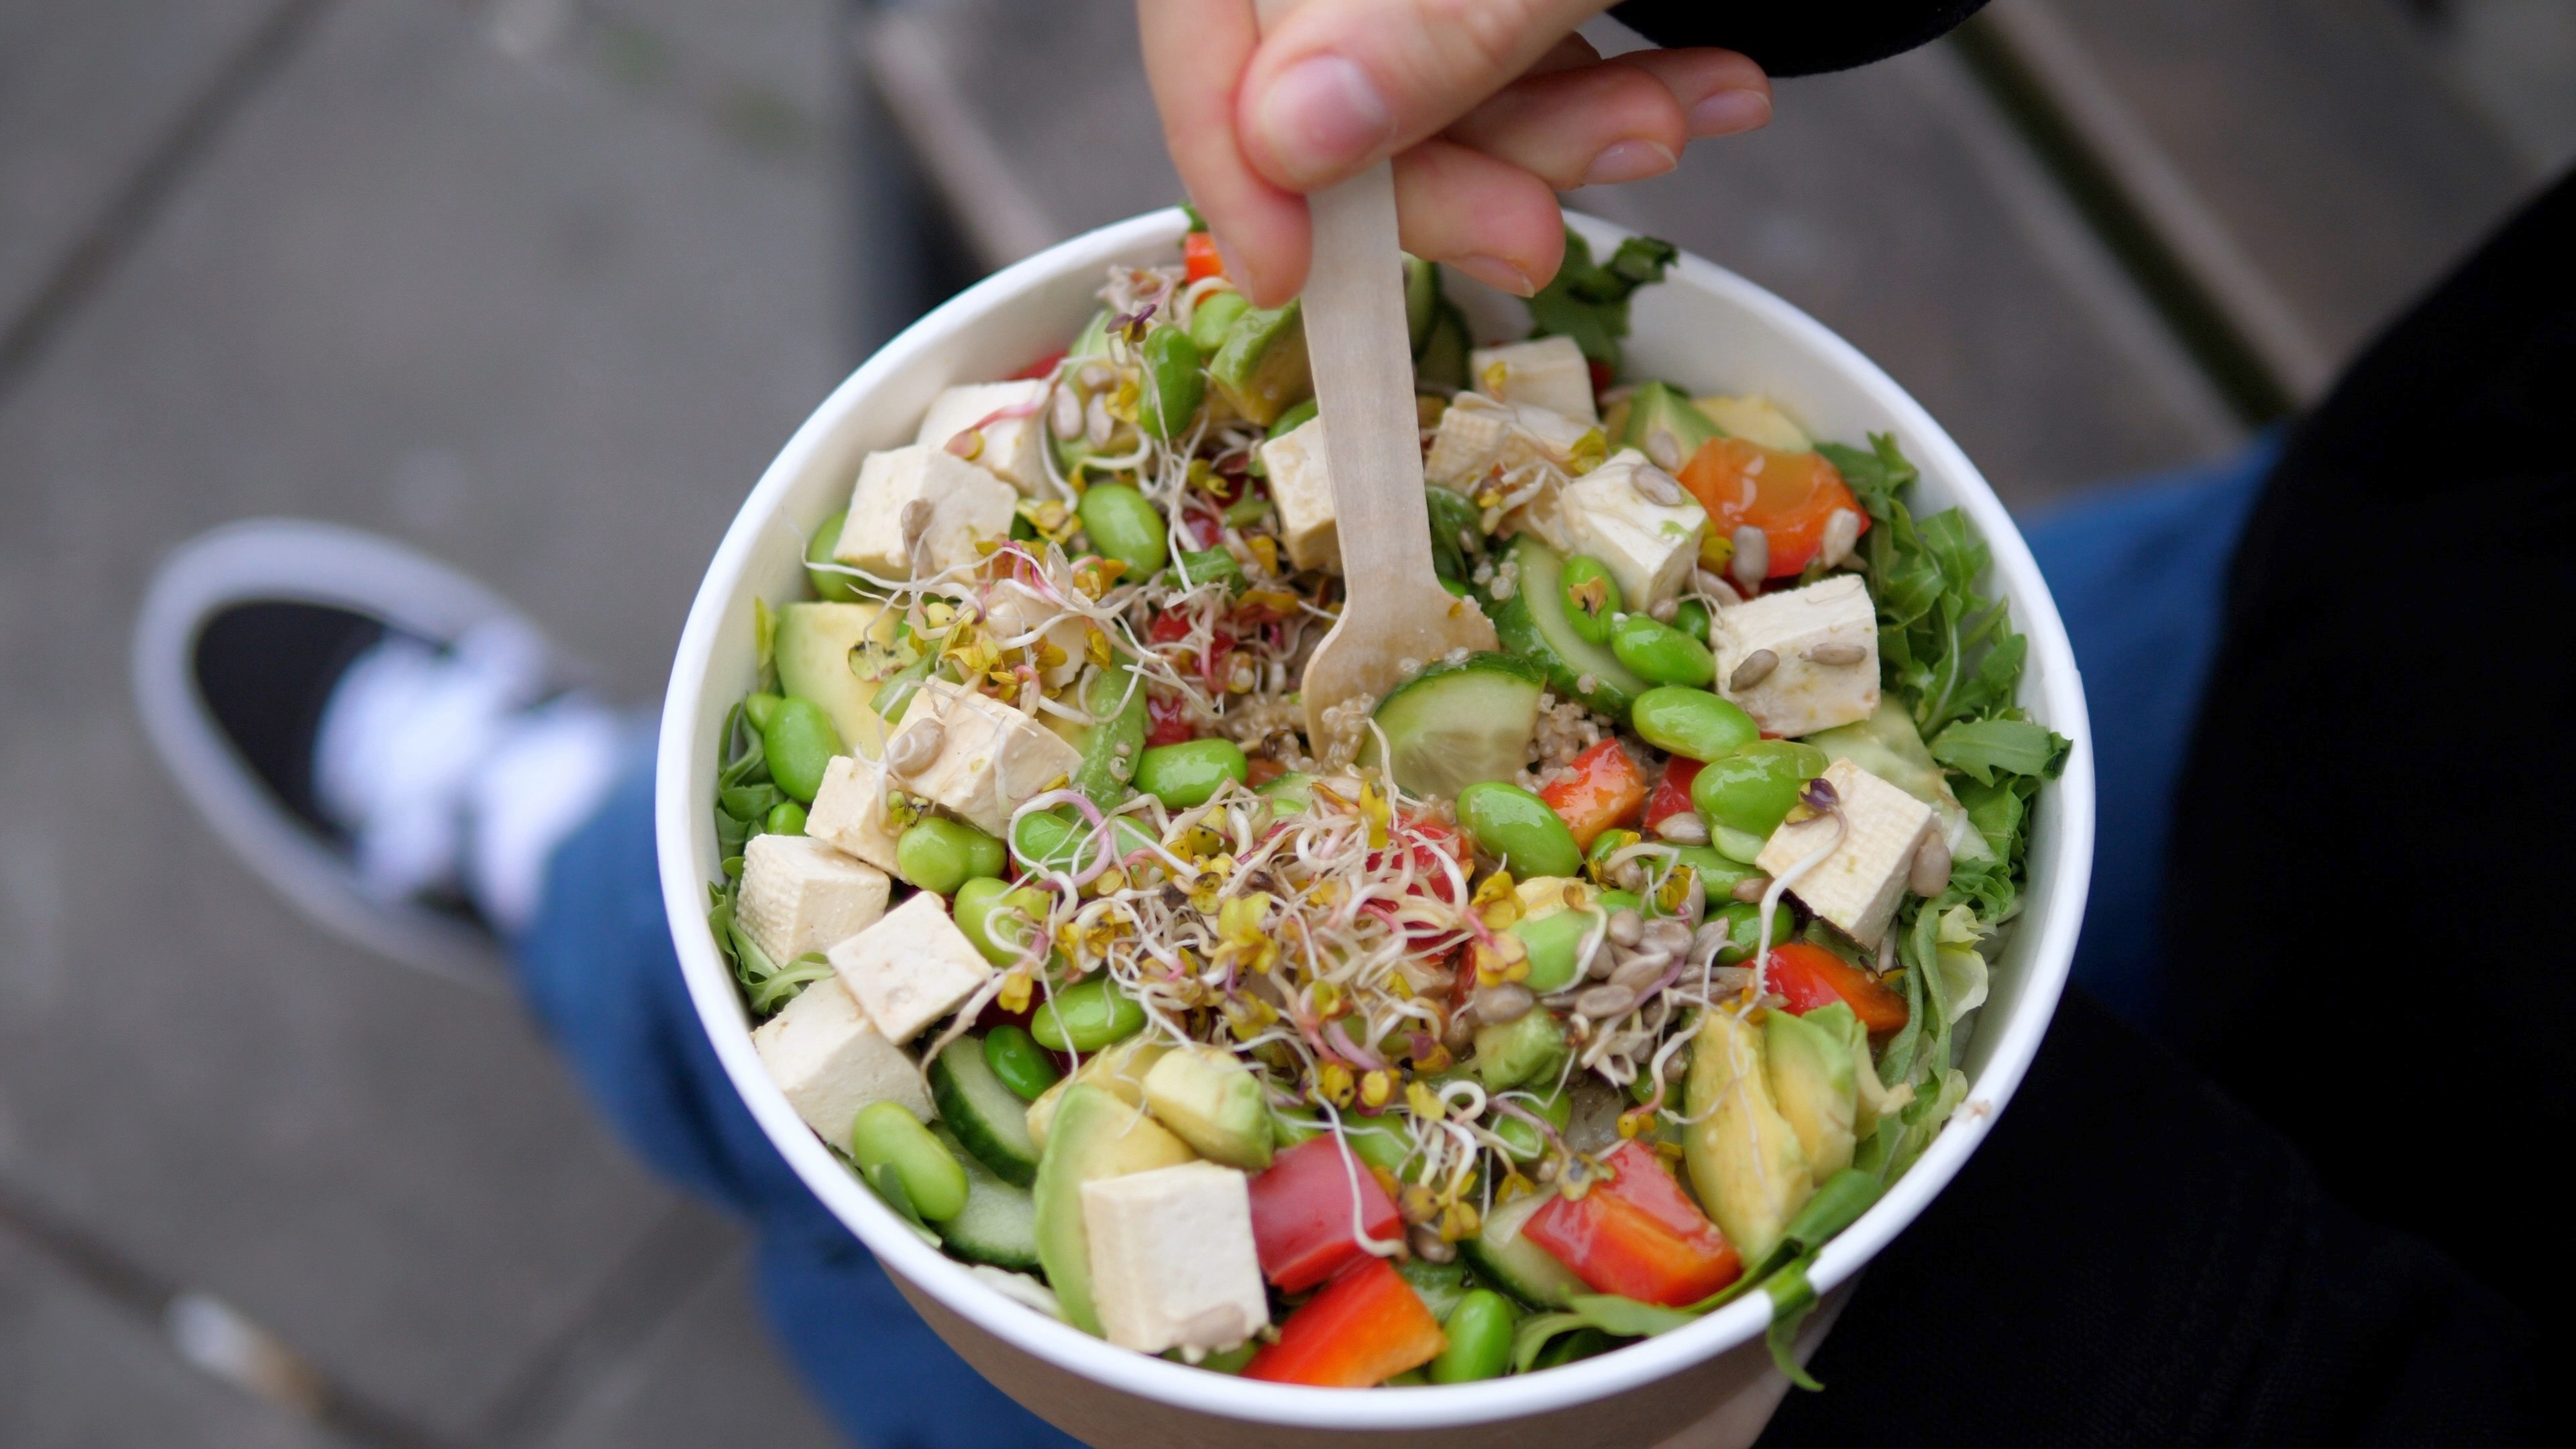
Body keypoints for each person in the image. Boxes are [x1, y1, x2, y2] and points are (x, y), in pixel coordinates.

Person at [133, 2, 2554, 1443]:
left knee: (1011, 1374)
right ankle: (591, 893)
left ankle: (638, 994)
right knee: (731, 981)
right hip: (2413, 622)